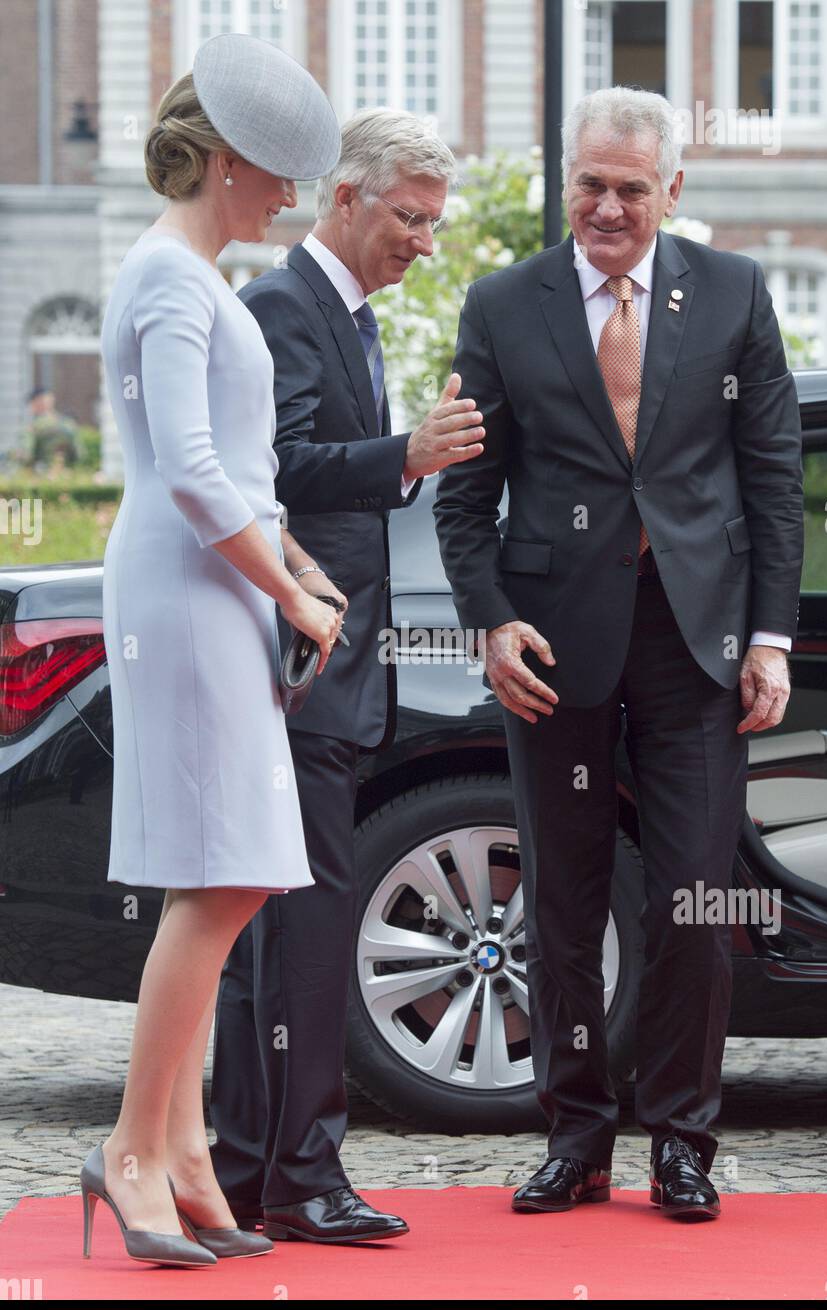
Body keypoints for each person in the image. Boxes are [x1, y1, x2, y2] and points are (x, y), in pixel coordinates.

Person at [433, 86, 803, 1222]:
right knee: (561, 898)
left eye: (629, 189)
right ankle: (576, 1134)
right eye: (588, 184)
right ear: (568, 182)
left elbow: (773, 477)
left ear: (671, 191)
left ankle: (682, 1140)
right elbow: (465, 495)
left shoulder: (734, 292)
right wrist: (491, 620)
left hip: (696, 641)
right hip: (552, 644)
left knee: (692, 895)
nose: (604, 206)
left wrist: (772, 637)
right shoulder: (504, 305)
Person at [82, 33, 343, 1268]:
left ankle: (181, 1148)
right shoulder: (172, 278)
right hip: (188, 591)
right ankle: (136, 1146)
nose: (291, 198)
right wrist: (285, 592)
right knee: (221, 874)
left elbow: (234, 469)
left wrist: (291, 567)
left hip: (209, 584)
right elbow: (189, 470)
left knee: (223, 870)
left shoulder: (187, 274)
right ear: (229, 161)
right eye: (280, 173)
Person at [209, 107, 484, 1243]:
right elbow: (272, 473)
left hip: (324, 666)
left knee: (274, 928)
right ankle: (301, 1173)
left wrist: (400, 464)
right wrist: (405, 455)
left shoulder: (344, 314)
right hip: (301, 663)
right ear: (344, 200)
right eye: (410, 219)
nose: (424, 242)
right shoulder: (285, 306)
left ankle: (246, 1166)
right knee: (303, 925)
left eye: (433, 224)